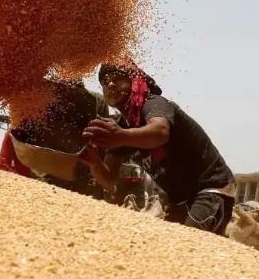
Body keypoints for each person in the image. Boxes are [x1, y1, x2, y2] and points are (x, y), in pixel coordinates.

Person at [79, 59, 236, 236]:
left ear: (135, 80)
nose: (111, 84)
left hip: (210, 188)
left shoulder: (153, 103)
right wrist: (93, 160)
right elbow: (108, 178)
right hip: (179, 200)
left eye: (117, 78)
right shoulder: (122, 126)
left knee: (187, 244)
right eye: (105, 82)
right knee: (163, 246)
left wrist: (120, 136)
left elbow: (160, 132)